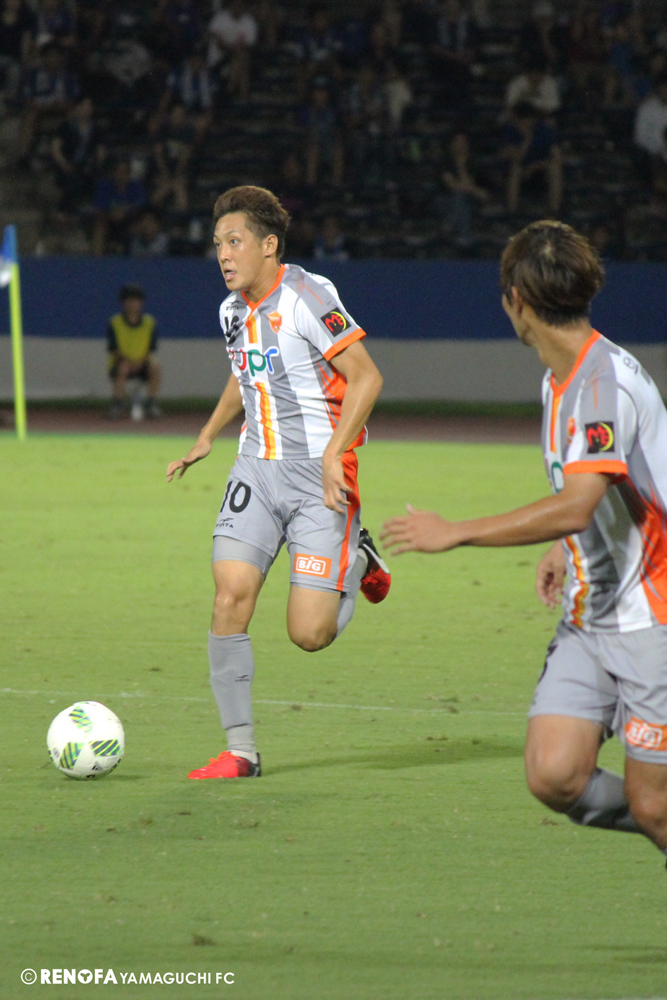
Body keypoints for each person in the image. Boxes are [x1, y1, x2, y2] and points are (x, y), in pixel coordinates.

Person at [382, 220, 667, 866]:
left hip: (651, 617)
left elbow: (577, 502)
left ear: (516, 300)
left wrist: (455, 531)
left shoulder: (601, 386)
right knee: (554, 773)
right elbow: (598, 492)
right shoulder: (559, 376)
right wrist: (565, 547)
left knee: (653, 806)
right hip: (591, 612)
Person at [166, 184, 390, 780]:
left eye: (234, 241)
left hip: (319, 473)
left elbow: (367, 377)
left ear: (269, 245)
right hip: (256, 469)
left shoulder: (309, 297)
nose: (223, 254)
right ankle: (240, 751)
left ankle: (357, 560)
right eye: (218, 243)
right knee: (229, 595)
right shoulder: (231, 310)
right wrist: (207, 435)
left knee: (309, 634)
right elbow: (245, 374)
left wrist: (335, 453)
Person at [107, 283, 161, 420]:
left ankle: (151, 403)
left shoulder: (149, 322)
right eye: (129, 301)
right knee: (123, 368)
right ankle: (117, 403)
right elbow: (113, 349)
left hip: (143, 362)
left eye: (136, 301)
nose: (132, 304)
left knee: (155, 367)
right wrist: (128, 362)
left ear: (141, 303)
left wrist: (140, 361)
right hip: (121, 362)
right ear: (123, 303)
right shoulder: (115, 322)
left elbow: (151, 348)